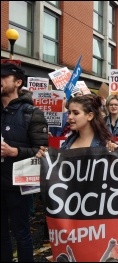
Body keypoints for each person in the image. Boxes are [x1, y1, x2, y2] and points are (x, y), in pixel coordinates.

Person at [1, 62, 49, 262]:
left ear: (18, 82)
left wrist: (15, 151)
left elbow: (42, 150)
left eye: (4, 77)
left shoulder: (32, 113)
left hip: (18, 186)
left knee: (21, 233)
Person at [36, 94, 118, 155]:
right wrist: (46, 156)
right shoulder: (68, 142)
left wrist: (114, 153)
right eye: (69, 112)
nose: (70, 117)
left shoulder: (105, 145)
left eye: (76, 113)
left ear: (90, 116)